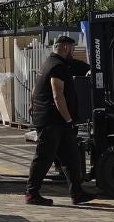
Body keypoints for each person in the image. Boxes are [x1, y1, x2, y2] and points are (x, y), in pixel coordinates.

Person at [24, 35, 93, 207]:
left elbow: (35, 88)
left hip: (55, 121)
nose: (73, 51)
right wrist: (68, 119)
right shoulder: (57, 67)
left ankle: (77, 193)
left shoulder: (48, 63)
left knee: (70, 157)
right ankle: (31, 193)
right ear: (64, 47)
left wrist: (33, 105)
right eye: (72, 48)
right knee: (44, 157)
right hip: (52, 121)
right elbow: (57, 94)